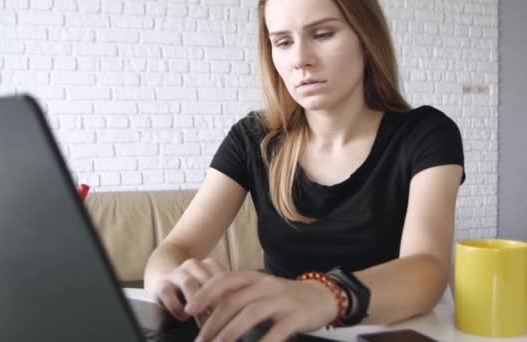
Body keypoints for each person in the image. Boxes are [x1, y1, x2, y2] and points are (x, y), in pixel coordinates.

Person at [144, 0, 465, 341]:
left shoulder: (426, 133)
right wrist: (171, 279)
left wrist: (323, 295)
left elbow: (428, 269)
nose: (300, 60)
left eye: (323, 34)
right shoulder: (253, 138)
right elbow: (174, 249)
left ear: (366, 38)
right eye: (283, 42)